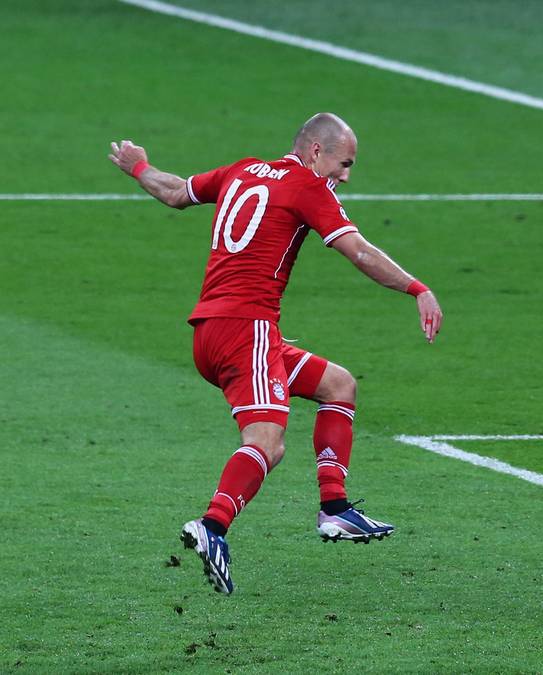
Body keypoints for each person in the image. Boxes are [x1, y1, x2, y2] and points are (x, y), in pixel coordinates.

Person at [107, 113, 443, 595]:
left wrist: (139, 167)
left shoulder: (241, 170)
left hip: (211, 331)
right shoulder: (309, 187)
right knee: (268, 441)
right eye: (344, 164)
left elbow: (176, 192)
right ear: (316, 151)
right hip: (248, 331)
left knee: (338, 385)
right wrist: (417, 288)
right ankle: (212, 526)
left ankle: (335, 508)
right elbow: (359, 251)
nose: (346, 176)